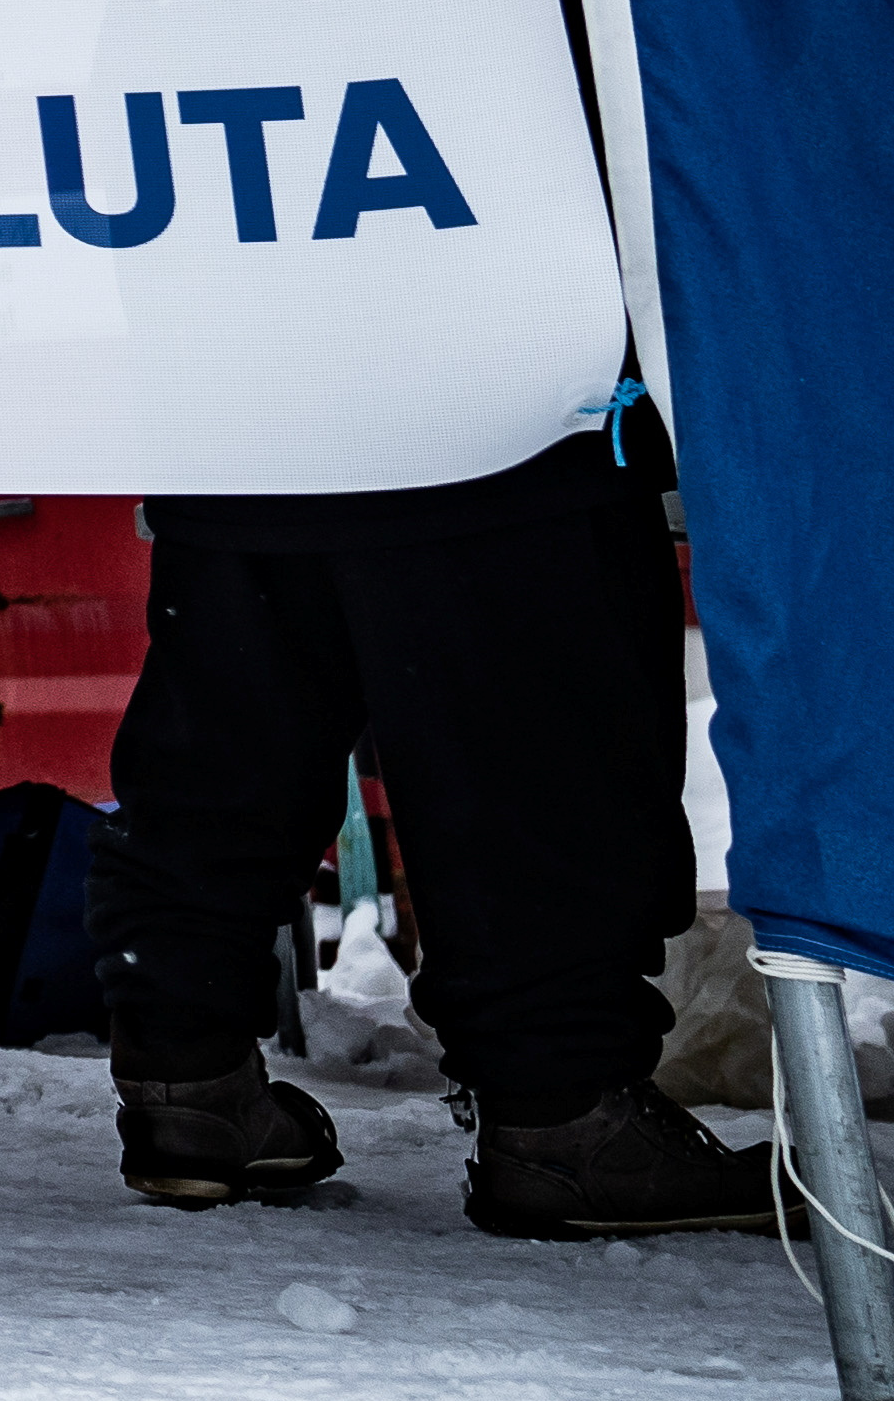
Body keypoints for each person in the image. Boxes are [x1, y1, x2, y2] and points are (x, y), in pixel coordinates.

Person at [87, 419, 764, 1235]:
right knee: (537, 751)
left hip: (247, 412)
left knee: (233, 714)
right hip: (500, 424)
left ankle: (185, 1080)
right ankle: (562, 1119)